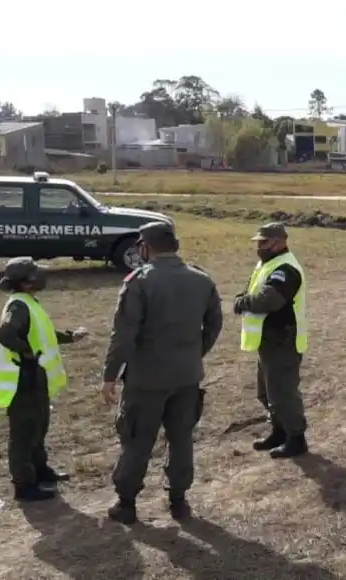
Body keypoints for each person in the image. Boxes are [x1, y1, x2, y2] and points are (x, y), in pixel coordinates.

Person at [101, 221, 223, 525]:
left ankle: (126, 503)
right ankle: (178, 500)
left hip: (147, 379)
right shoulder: (201, 279)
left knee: (137, 439)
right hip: (187, 376)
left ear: (146, 247)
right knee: (181, 438)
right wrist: (195, 353)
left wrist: (110, 375)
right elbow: (214, 324)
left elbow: (123, 335)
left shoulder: (140, 282)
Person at [0, 257, 88, 502]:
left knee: (38, 428)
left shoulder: (28, 302)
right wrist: (28, 356)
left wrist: (70, 337)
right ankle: (24, 486)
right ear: (25, 283)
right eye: (36, 274)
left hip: (35, 380)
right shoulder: (18, 306)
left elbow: (42, 333)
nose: (43, 277)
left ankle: (41, 472)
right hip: (23, 381)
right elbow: (6, 334)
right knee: (24, 435)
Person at [233, 222, 309, 459]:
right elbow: (252, 291)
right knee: (266, 393)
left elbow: (269, 300)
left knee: (282, 393)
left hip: (282, 340)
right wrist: (244, 298)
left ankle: (296, 439)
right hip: (268, 340)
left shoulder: (286, 269)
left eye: (263, 242)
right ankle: (279, 432)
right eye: (258, 242)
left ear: (279, 242)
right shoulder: (268, 264)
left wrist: (242, 303)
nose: (259, 246)